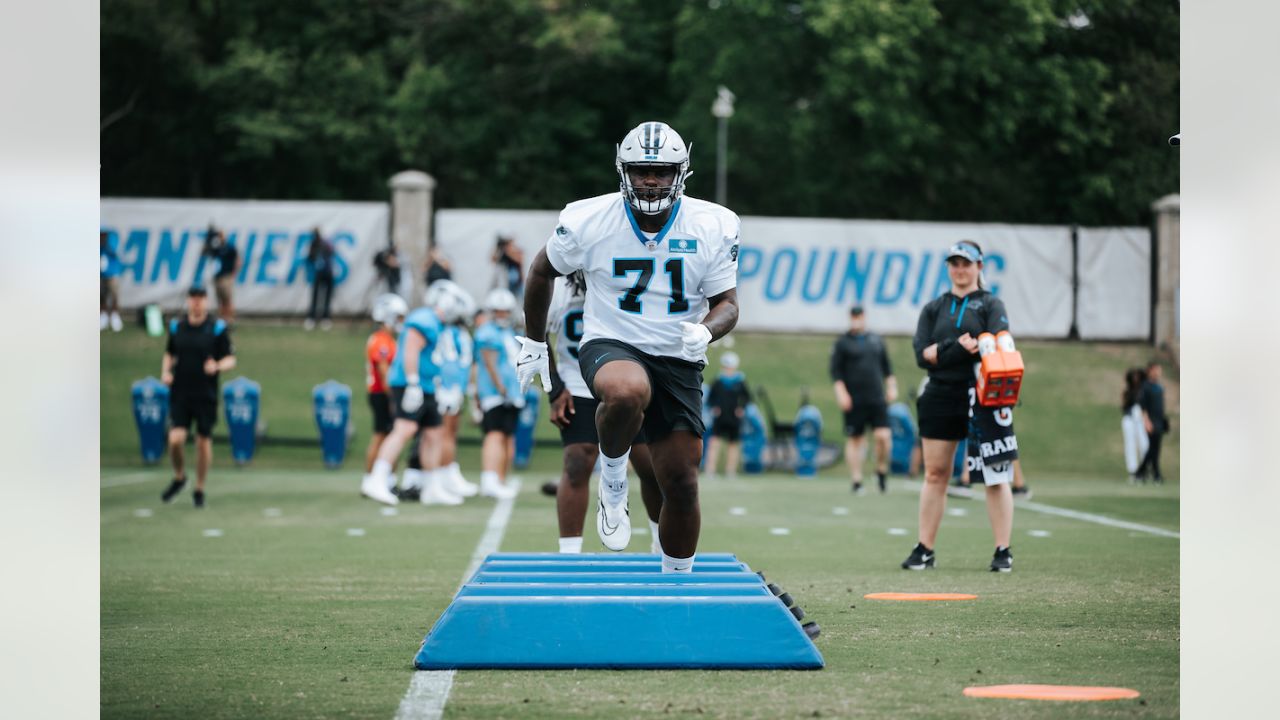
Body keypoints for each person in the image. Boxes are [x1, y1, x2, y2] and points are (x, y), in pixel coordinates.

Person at [516, 120, 741, 573]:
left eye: (661, 171)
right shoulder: (588, 218)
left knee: (680, 482)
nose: (652, 180)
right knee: (625, 391)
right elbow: (542, 272)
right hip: (611, 342)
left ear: (682, 172)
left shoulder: (714, 223)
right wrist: (535, 343)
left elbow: (728, 305)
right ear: (624, 170)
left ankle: (676, 583)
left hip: (678, 356)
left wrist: (708, 331)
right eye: (641, 170)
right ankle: (613, 482)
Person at [903, 240, 1016, 572]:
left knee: (995, 474)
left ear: (979, 266)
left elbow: (998, 345)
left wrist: (961, 348)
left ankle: (1002, 550)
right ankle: (925, 548)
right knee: (936, 473)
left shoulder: (990, 304)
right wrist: (956, 347)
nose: (959, 269)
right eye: (954, 263)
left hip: (983, 393)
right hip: (941, 392)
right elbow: (922, 355)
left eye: (966, 263)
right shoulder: (934, 308)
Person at [544, 272, 665, 553]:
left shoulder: (620, 276)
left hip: (628, 381)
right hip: (576, 383)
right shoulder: (560, 287)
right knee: (576, 462)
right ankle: (569, 553)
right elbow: (537, 335)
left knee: (651, 465)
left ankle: (662, 544)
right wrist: (555, 388)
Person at [364, 283, 472, 506]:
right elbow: (411, 347)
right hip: (410, 383)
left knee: (434, 433)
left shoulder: (438, 323)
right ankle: (376, 479)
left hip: (428, 385)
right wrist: (412, 382)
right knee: (405, 428)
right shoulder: (425, 318)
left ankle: (431, 487)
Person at [159, 286, 236, 508]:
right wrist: (165, 371)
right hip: (181, 393)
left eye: (201, 299)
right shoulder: (177, 327)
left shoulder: (216, 328)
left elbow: (231, 359)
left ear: (206, 301)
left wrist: (217, 365)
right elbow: (169, 353)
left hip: (205, 394)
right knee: (175, 440)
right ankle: (180, 477)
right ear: (188, 301)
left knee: (203, 442)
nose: (197, 303)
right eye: (193, 298)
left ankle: (199, 488)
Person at [829, 305, 897, 494]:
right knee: (855, 439)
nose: (857, 319)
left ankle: (881, 469)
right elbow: (836, 373)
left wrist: (891, 387)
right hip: (854, 398)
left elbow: (887, 368)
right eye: (854, 316)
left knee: (883, 436)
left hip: (876, 396)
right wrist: (841, 393)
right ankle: (857, 479)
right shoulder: (842, 343)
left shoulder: (876, 340)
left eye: (860, 316)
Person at [427, 280, 480, 499]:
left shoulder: (454, 333)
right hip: (447, 388)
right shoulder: (448, 333)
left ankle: (447, 474)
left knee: (448, 433)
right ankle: (438, 478)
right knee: (443, 434)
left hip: (451, 387)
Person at [474, 289, 523, 500]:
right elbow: (490, 364)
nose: (502, 315)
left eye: (505, 311)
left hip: (512, 392)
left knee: (506, 435)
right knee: (494, 433)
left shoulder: (510, 332)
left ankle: (499, 480)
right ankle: (490, 479)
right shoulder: (487, 332)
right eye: (498, 311)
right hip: (496, 393)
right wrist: (501, 388)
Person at [361, 293, 408, 499]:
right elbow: (383, 371)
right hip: (381, 393)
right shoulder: (381, 340)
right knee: (381, 435)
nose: (400, 322)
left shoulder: (388, 339)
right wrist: (393, 396)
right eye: (397, 317)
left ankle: (386, 479)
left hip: (384, 393)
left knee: (388, 435)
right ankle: (370, 479)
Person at [704, 352, 751, 482]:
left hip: (734, 418)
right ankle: (710, 470)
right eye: (726, 366)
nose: (728, 369)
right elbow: (710, 399)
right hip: (720, 418)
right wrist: (714, 408)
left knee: (733, 444)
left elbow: (747, 398)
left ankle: (730, 471)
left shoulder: (740, 381)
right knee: (714, 443)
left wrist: (741, 408)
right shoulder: (718, 381)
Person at [1135, 360, 1168, 484]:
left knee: (1155, 448)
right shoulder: (1146, 386)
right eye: (1156, 369)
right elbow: (1142, 406)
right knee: (1153, 449)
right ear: (1150, 371)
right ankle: (1151, 474)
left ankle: (1146, 473)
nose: (1159, 372)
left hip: (1159, 421)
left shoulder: (1159, 386)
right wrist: (1147, 421)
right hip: (1151, 421)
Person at [204, 226, 240, 324]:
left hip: (226, 276)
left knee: (227, 298)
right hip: (217, 276)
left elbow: (238, 259)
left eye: (221, 235)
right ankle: (222, 319)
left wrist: (234, 273)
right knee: (219, 299)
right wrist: (208, 240)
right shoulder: (217, 248)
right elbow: (205, 253)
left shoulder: (230, 247)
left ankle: (229, 319)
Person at [1121, 366, 1150, 482]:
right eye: (1133, 376)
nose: (1135, 378)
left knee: (1144, 444)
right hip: (1129, 419)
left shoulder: (1144, 390)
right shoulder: (1127, 391)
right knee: (1130, 445)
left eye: (1137, 376)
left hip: (1140, 420)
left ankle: (1144, 469)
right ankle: (1133, 470)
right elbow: (1124, 407)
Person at [305, 228, 336, 331]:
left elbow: (332, 252)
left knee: (327, 296)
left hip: (328, 272)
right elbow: (310, 257)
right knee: (315, 296)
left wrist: (324, 248)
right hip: (318, 272)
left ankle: (325, 318)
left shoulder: (326, 242)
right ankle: (312, 318)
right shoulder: (313, 244)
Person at [100, 230, 124, 332]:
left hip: (113, 273)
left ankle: (115, 315)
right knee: (102, 295)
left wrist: (105, 244)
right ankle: (103, 315)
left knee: (114, 294)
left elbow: (115, 251)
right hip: (101, 274)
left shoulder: (112, 240)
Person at [492, 235, 525, 301]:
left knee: (523, 300)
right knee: (510, 300)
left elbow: (520, 260)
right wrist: (497, 248)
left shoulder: (517, 250)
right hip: (507, 283)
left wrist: (507, 251)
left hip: (519, 281)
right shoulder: (503, 253)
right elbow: (493, 259)